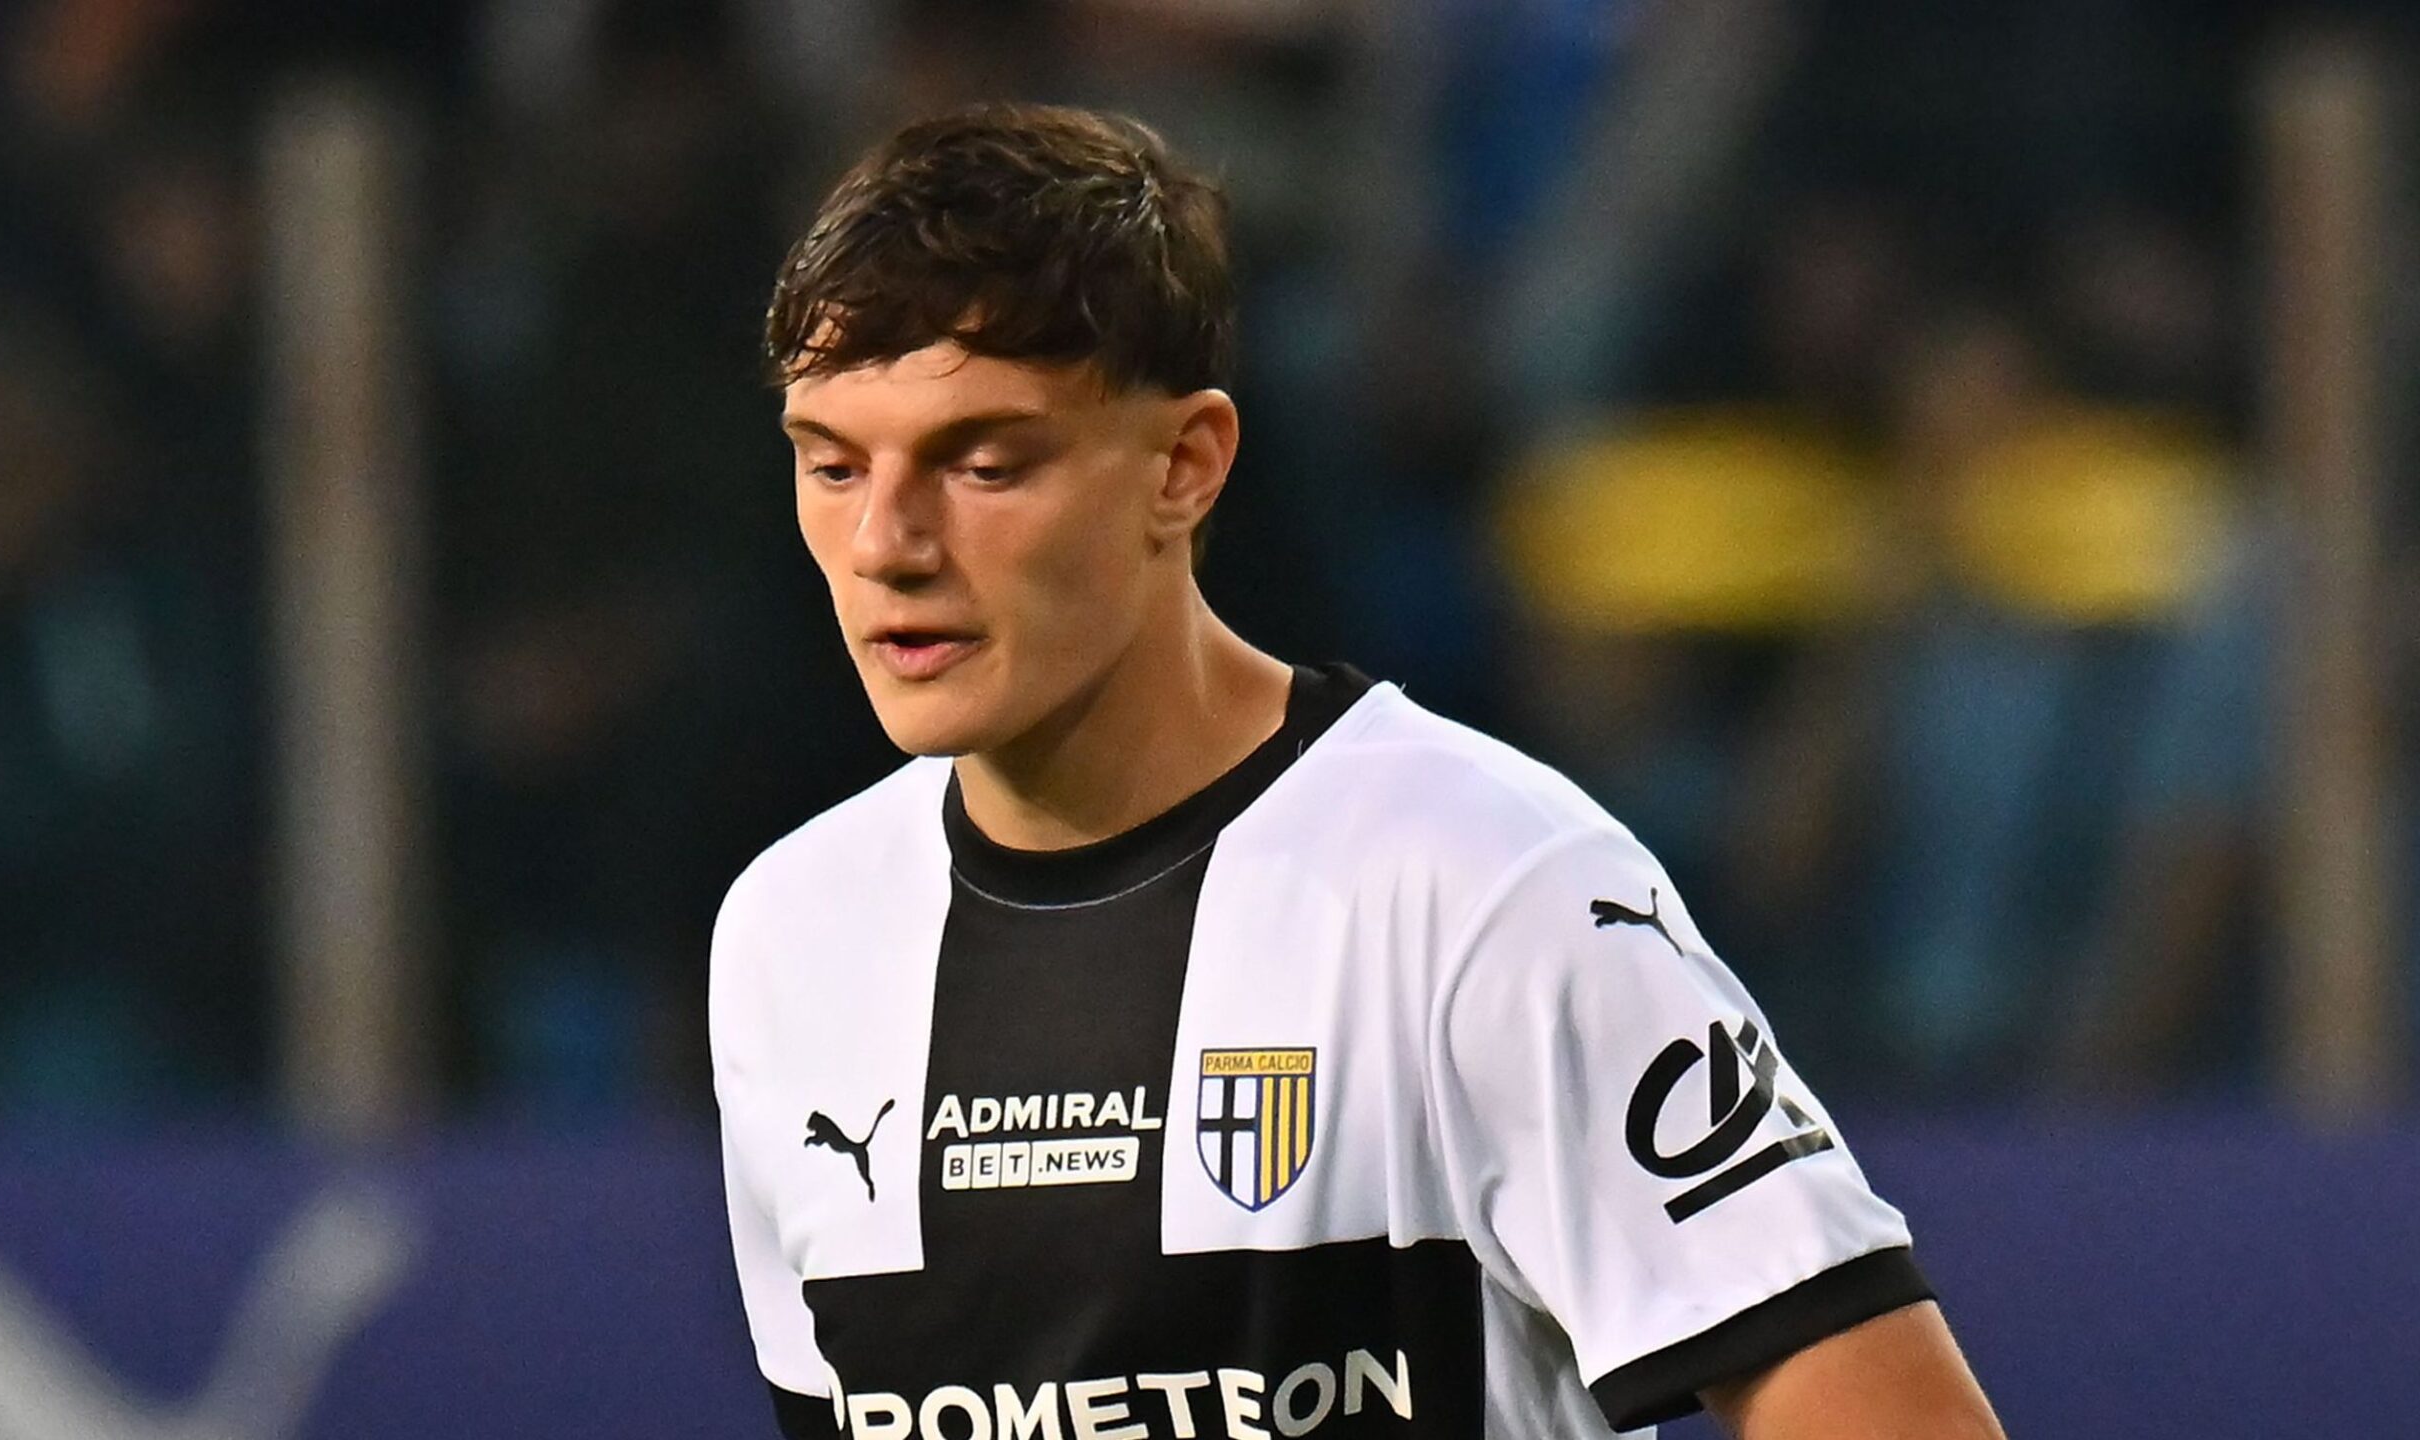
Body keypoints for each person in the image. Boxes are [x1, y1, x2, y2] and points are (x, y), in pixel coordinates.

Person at [709, 104, 2006, 1440]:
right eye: (832, 465)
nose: (886, 543)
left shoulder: (1489, 888)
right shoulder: (788, 941)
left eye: (982, 464)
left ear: (1185, 467)